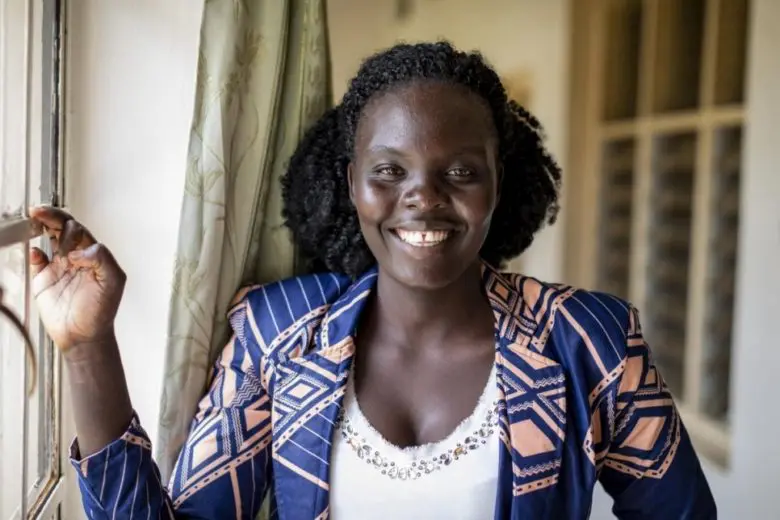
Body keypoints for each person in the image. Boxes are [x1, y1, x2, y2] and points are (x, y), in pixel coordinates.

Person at [29, 41, 716, 519]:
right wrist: (90, 347)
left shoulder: (587, 339)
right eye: (389, 170)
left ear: (498, 186)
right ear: (350, 183)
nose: (423, 197)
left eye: (461, 171)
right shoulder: (277, 332)